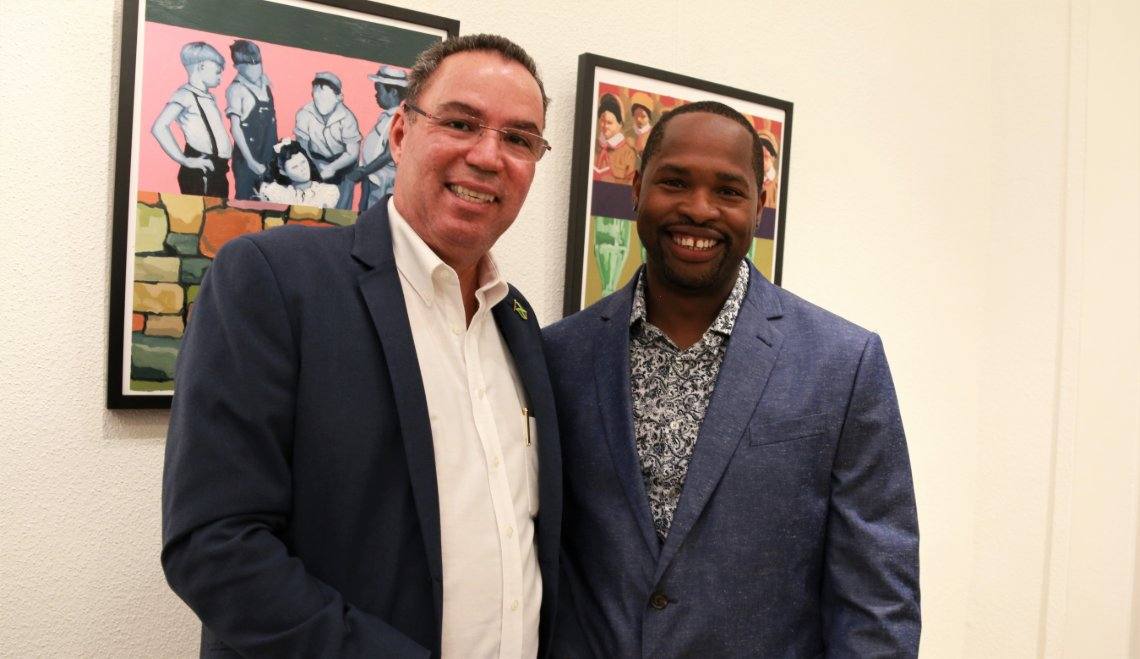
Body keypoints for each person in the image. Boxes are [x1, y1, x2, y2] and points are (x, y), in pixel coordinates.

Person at [162, 34, 561, 657]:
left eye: (519, 139)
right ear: (400, 133)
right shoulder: (273, 280)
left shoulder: (518, 321)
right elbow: (215, 546)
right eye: (461, 123)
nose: (488, 157)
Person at [545, 101, 920, 657]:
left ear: (758, 206)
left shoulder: (844, 364)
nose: (699, 209)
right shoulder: (560, 356)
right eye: (675, 182)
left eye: (727, 190)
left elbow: (878, 603)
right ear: (637, 188)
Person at [151, 41, 232, 197]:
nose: (220, 77)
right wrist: (185, 160)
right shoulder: (185, 95)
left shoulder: (209, 97)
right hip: (201, 172)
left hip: (218, 171)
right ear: (202, 66)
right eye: (217, 72)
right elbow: (159, 127)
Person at [294, 71, 362, 209]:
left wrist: (332, 167)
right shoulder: (304, 113)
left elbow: (352, 153)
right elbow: (302, 146)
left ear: (339, 97)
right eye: (316, 98)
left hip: (344, 163)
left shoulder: (347, 118)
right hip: (315, 161)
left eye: (325, 99)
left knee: (341, 207)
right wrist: (314, 166)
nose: (320, 104)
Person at [350, 65, 408, 212]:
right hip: (372, 177)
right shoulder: (387, 117)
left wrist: (364, 171)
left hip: (383, 181)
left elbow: (389, 153)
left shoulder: (400, 119)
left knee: (374, 212)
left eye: (379, 90)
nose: (376, 95)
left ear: (393, 91)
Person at [225, 40, 277, 200]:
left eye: (258, 65)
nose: (255, 71)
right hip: (248, 157)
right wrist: (251, 161)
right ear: (237, 67)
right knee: (247, 201)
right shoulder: (236, 90)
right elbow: (235, 128)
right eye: (249, 67)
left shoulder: (265, 82)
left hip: (269, 154)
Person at [256, 138, 339, 208]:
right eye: (295, 167)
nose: (302, 169)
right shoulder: (282, 193)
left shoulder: (328, 191)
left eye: (303, 162)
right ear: (283, 172)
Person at [592, 93, 637, 184]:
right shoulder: (592, 145)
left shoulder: (628, 153)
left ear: (620, 124)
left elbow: (630, 185)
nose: (605, 126)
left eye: (609, 123)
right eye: (602, 121)